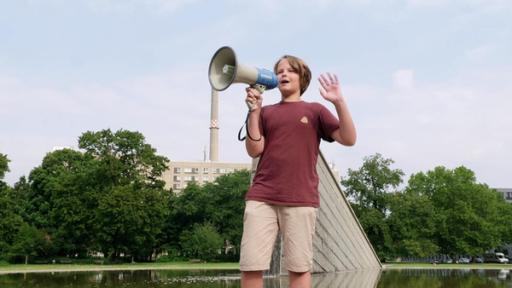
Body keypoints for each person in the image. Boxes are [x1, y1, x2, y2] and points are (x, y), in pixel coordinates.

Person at [239, 54, 356, 288]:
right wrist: (254, 111)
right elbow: (255, 149)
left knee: (299, 268)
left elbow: (349, 138)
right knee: (251, 266)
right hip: (262, 197)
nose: (284, 73)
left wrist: (339, 102)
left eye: (291, 70)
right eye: (279, 70)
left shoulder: (315, 111)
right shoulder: (266, 112)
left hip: (300, 199)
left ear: (303, 79)